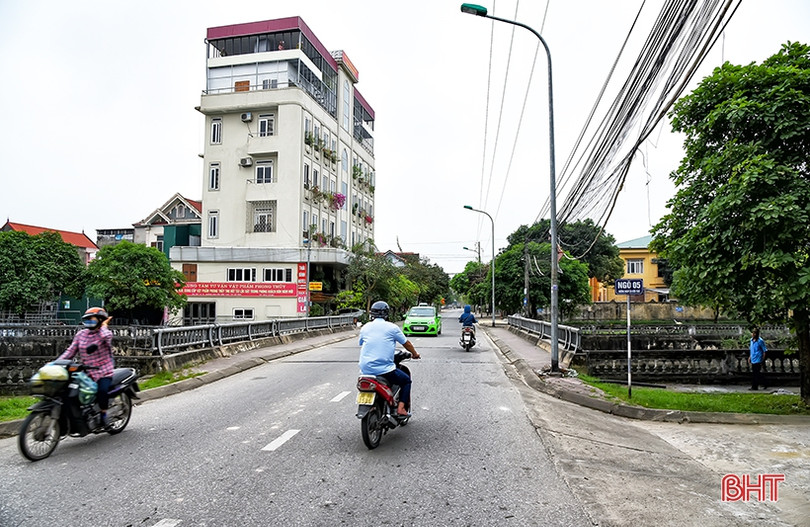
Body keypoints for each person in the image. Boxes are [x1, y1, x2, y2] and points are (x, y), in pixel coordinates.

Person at [358, 301, 420, 417]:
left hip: (365, 371)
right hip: (385, 370)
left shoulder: (365, 327)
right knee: (406, 381)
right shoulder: (392, 328)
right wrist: (415, 354)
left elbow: (361, 343)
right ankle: (401, 408)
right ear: (387, 313)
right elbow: (407, 344)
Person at [58, 307, 114, 426]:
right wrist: (56, 363)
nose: (89, 321)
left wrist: (104, 325)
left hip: (103, 371)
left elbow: (106, 337)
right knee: (69, 392)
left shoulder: (105, 333)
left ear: (99, 320)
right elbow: (70, 351)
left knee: (102, 391)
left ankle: (104, 415)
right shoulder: (81, 334)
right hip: (86, 372)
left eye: (92, 319)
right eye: (87, 319)